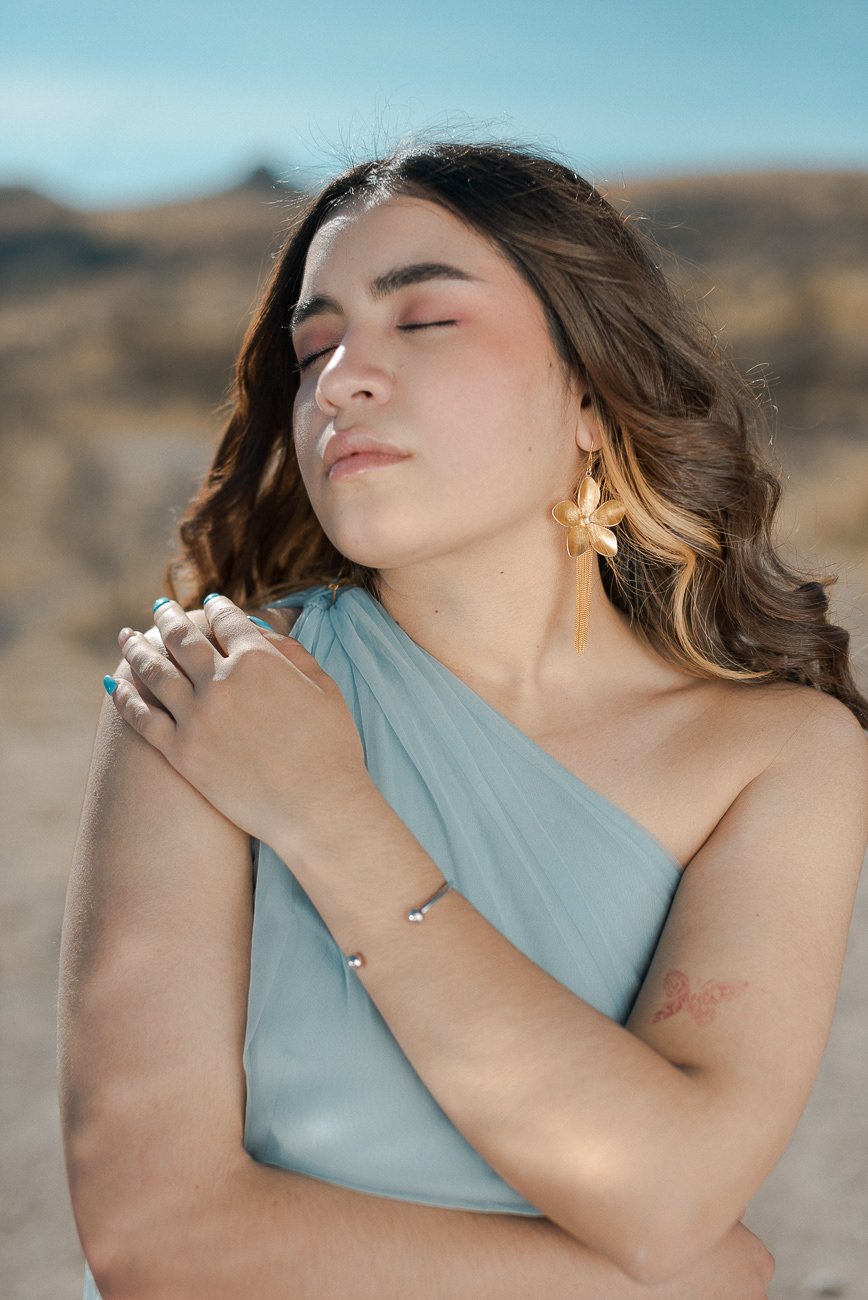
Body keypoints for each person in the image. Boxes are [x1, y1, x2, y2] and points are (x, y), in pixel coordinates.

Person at [59, 142, 868, 1300]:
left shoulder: (778, 755)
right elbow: (156, 1239)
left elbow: (666, 1196)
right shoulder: (206, 692)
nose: (339, 381)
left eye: (424, 319)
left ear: (591, 392)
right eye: (312, 347)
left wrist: (325, 815)